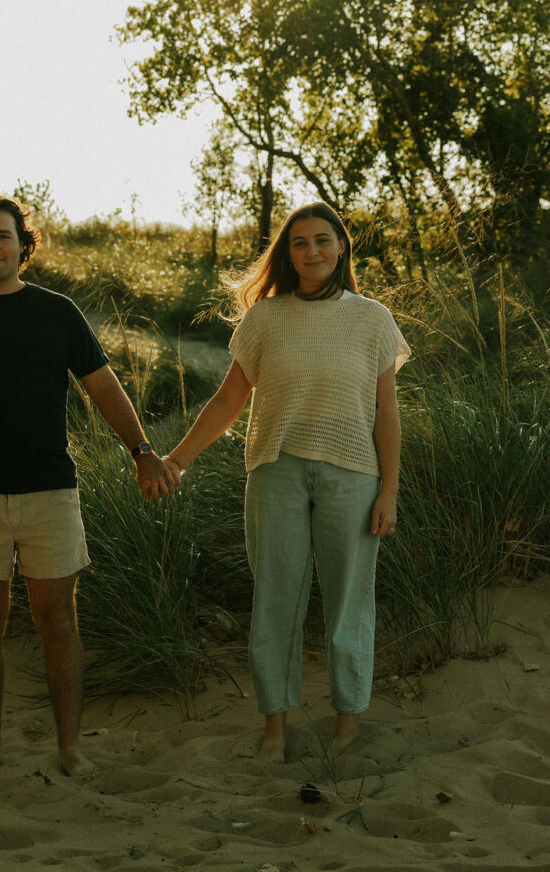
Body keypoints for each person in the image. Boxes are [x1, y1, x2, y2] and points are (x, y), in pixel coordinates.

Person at [0, 194, 180, 780]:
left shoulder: (58, 312)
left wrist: (143, 452)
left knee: (58, 621)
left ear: (25, 246)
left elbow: (103, 387)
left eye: (3, 236)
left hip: (50, 491)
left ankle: (70, 748)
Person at [162, 202, 409, 763]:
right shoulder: (265, 319)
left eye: (323, 240)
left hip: (353, 474)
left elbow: (386, 413)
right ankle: (275, 725)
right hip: (275, 472)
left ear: (341, 246)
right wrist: (177, 460)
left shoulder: (372, 318)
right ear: (287, 254)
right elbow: (229, 400)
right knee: (275, 600)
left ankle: (347, 722)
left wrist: (389, 490)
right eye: (299, 243)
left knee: (349, 602)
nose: (312, 251)